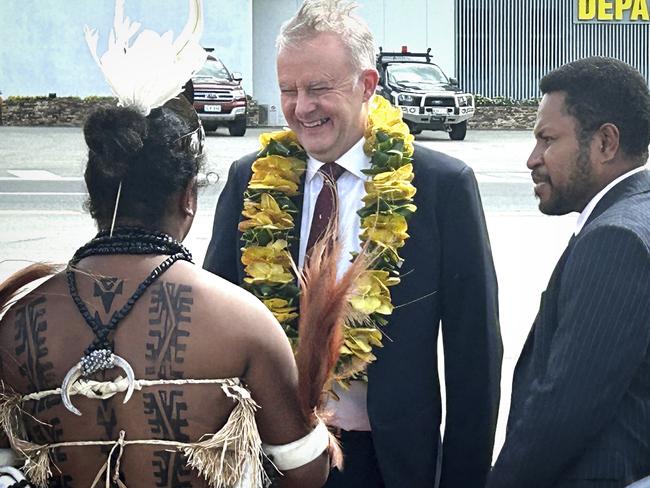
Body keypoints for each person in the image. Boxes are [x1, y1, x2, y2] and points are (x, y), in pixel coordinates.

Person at [0, 2, 332, 487]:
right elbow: (305, 472)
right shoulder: (243, 322)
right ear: (188, 198)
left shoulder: (15, 322)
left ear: (95, 195)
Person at [203, 1, 502, 486]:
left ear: (367, 85)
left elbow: (475, 355)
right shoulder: (249, 182)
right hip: (268, 457)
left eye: (319, 88)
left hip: (387, 461)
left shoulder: (440, 186)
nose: (302, 108)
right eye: (288, 90)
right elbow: (216, 331)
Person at [487, 57, 650, 487]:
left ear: (605, 143)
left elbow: (565, 408)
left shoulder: (616, 239)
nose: (532, 159)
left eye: (547, 139)